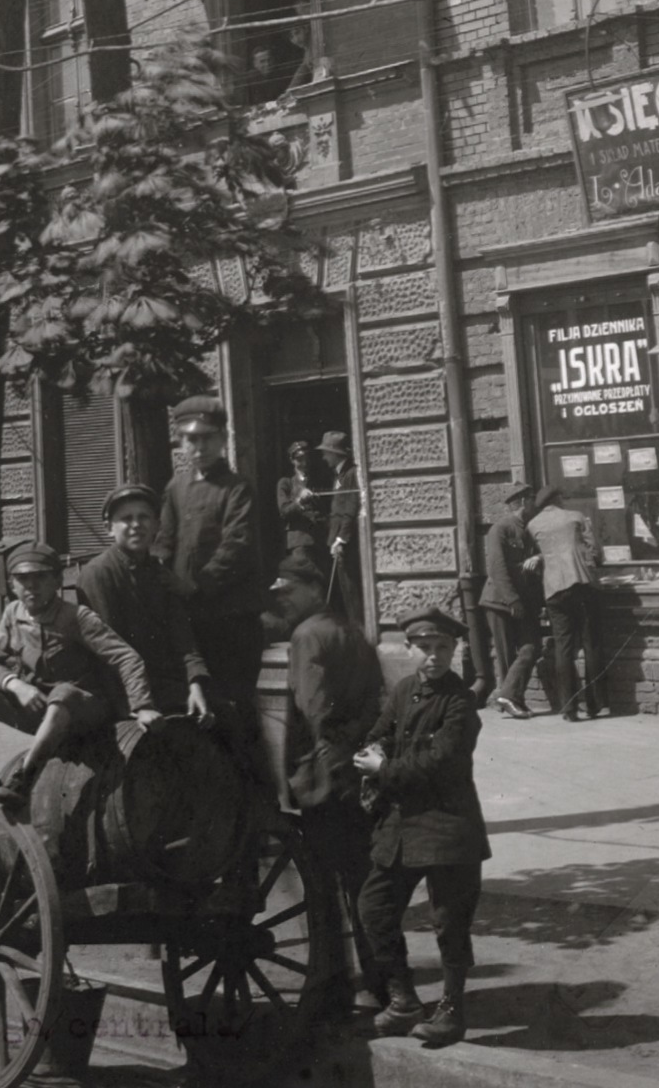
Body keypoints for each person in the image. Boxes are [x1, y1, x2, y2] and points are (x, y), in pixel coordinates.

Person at [354, 605, 490, 1050]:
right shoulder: (403, 691)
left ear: (455, 650)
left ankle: (451, 1011)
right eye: (425, 648)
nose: (433, 656)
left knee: (450, 922)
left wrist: (384, 766)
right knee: (374, 907)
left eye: (442, 648)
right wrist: (373, 751)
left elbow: (442, 762)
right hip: (401, 826)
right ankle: (404, 1000)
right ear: (411, 649)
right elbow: (379, 732)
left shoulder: (460, 701)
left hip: (449, 826)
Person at [0, 543, 159, 813]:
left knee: (63, 694)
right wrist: (16, 684)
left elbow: (126, 657)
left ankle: (24, 778)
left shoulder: (77, 618)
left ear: (58, 581)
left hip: (83, 711)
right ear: (12, 585)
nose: (31, 586)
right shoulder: (13, 613)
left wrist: (143, 706)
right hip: (41, 710)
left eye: (41, 577)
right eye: (23, 579)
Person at [271, 551, 384, 1013]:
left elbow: (315, 707)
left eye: (289, 592)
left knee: (322, 890)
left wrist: (320, 761)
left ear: (315, 591)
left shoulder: (306, 635)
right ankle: (379, 982)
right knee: (361, 882)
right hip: (354, 770)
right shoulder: (351, 630)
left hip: (323, 777)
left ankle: (332, 988)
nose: (282, 601)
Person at [152, 395, 266, 731]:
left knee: (233, 709)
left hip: (231, 621)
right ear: (181, 442)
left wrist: (197, 585)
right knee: (196, 710)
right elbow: (164, 539)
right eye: (191, 439)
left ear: (222, 439)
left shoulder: (236, 488)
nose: (199, 447)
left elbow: (237, 546)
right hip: (190, 621)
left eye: (207, 438)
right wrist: (157, 572)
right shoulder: (176, 487)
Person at [76, 484, 214, 719]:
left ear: (157, 526)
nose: (136, 525)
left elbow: (183, 639)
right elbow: (110, 653)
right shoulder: (98, 574)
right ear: (109, 528)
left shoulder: (160, 573)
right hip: (124, 694)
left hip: (167, 686)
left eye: (144, 517)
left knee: (226, 720)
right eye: (126, 519)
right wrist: (139, 707)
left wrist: (195, 686)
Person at [527, 483, 606, 721]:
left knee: (563, 647)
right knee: (591, 643)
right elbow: (596, 554)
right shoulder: (575, 517)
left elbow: (542, 552)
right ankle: (594, 704)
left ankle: (569, 708)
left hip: (553, 590)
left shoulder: (533, 525)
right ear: (559, 499)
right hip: (580, 585)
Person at [479, 482, 542, 719]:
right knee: (506, 655)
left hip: (521, 602)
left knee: (531, 646)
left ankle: (509, 697)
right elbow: (497, 568)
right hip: (499, 601)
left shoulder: (528, 529)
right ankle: (510, 700)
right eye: (533, 500)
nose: (537, 505)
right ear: (524, 502)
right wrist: (513, 600)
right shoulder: (500, 529)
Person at [317, 430, 363, 622]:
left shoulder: (350, 474)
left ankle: (358, 631)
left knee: (350, 590)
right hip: (336, 538)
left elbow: (350, 509)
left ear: (336, 453)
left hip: (344, 542)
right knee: (343, 590)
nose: (323, 456)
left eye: (326, 452)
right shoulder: (338, 474)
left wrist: (341, 539)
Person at [277, 440, 327, 554]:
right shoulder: (286, 483)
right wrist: (300, 500)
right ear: (292, 460)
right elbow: (284, 511)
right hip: (299, 542)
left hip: (321, 540)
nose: (304, 463)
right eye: (300, 459)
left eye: (306, 458)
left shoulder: (318, 481)